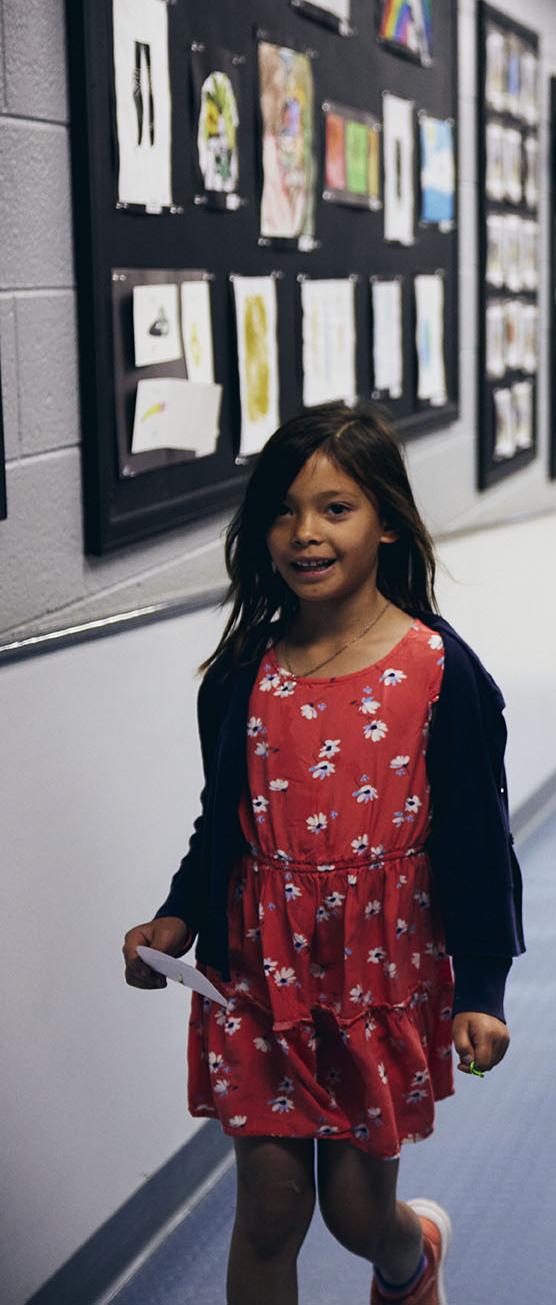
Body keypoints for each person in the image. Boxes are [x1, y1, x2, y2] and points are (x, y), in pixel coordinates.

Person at [119, 407, 524, 1305]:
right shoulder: (241, 672)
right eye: (284, 511)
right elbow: (221, 827)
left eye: (335, 508)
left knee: (351, 1212)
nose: (305, 533)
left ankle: (410, 1253)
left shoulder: (439, 669)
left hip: (374, 976)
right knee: (269, 1209)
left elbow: (475, 844)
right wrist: (178, 919)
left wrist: (483, 988)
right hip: (257, 978)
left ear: (386, 520)